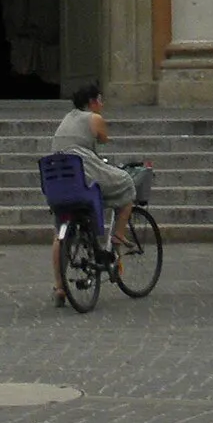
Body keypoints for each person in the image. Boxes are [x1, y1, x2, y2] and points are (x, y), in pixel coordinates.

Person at [48, 83, 136, 304]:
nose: (102, 104)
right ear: (92, 102)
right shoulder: (93, 118)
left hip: (57, 178)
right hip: (82, 171)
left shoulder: (67, 118)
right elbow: (104, 139)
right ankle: (117, 237)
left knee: (60, 234)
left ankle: (59, 287)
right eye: (100, 99)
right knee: (126, 184)